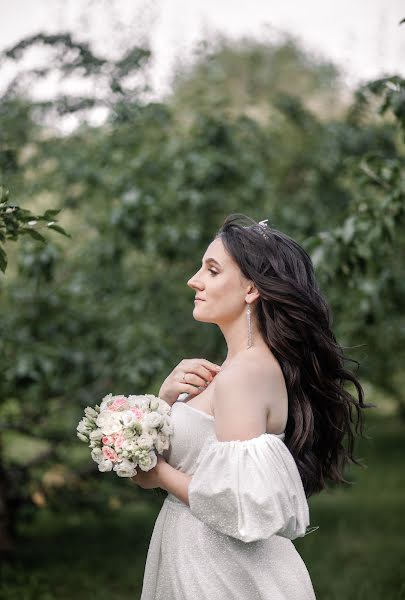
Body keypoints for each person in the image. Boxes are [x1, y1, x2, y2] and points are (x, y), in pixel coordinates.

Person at [132, 213, 371, 599]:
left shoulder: (244, 375)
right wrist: (162, 402)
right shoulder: (227, 370)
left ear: (250, 290)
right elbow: (161, 473)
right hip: (190, 551)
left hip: (221, 569)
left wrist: (159, 474)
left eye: (211, 270)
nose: (194, 280)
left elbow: (235, 504)